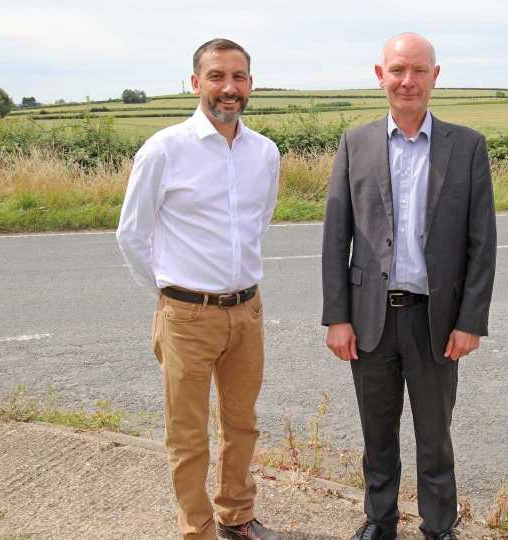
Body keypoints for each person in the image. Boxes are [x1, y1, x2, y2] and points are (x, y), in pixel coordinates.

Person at [321, 32, 497, 540]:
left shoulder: (466, 146)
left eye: (419, 70)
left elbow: (481, 243)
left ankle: (439, 527)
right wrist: (337, 315)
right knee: (377, 434)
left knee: (435, 437)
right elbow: (336, 237)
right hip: (370, 317)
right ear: (381, 76)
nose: (408, 80)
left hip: (434, 320)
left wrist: (470, 321)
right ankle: (380, 521)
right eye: (398, 70)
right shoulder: (355, 144)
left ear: (435, 77)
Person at [116, 38, 280, 540]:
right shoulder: (164, 150)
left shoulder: (265, 153)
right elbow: (132, 234)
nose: (228, 88)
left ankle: (237, 514)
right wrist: (169, 295)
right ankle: (198, 529)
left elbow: (260, 223)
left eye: (238, 77)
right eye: (216, 77)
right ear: (196, 83)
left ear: (250, 84)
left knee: (242, 424)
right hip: (186, 315)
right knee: (187, 434)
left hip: (247, 311)